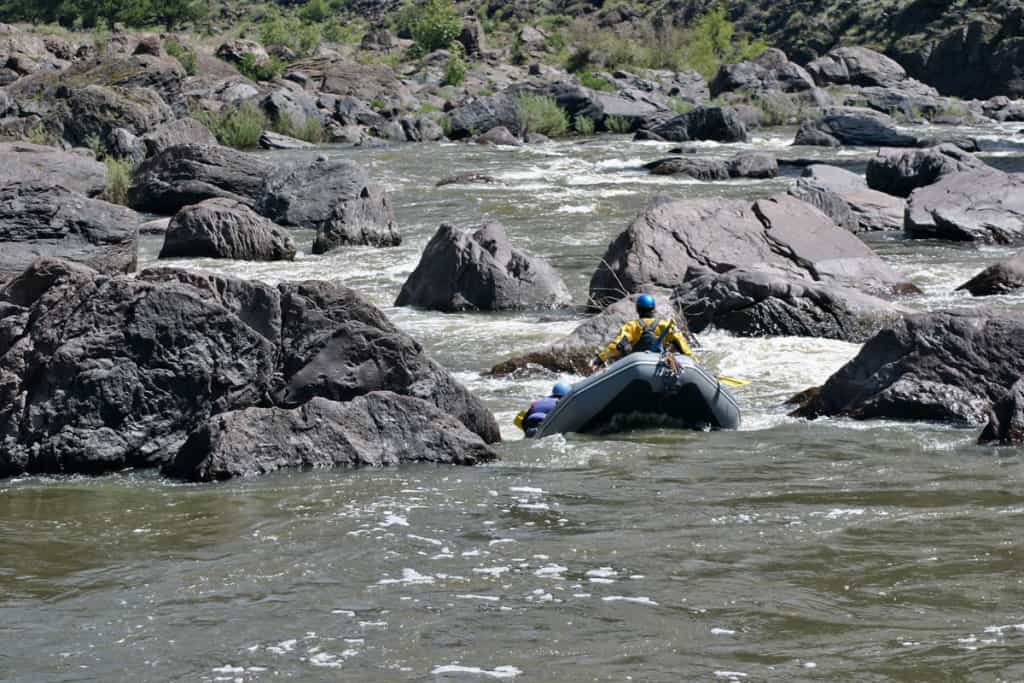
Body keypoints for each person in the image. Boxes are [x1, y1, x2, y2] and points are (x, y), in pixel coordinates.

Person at [591, 293, 695, 370]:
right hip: (661, 365)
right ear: (654, 309)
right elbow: (683, 347)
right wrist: (695, 363)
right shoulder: (665, 325)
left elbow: (617, 345)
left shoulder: (632, 326)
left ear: (637, 310)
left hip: (638, 366)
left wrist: (600, 359)